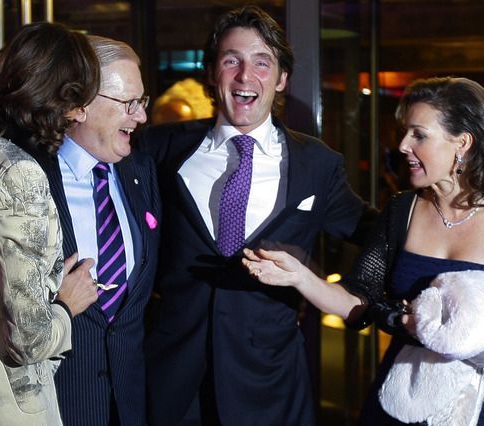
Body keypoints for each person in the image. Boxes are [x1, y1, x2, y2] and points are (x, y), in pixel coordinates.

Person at [244, 77, 484, 425]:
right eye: (405, 133)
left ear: (462, 142)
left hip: (480, 407)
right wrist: (300, 278)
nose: (403, 145)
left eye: (419, 134)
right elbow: (358, 299)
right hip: (398, 397)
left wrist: (447, 336)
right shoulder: (401, 210)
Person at [136, 5, 375, 425]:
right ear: (212, 73)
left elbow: (376, 232)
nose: (246, 77)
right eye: (232, 61)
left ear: (281, 79)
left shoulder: (316, 165)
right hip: (172, 382)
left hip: (270, 387)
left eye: (262, 63)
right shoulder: (160, 150)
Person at [13, 35, 160, 425]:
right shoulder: (25, 176)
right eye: (128, 103)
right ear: (78, 105)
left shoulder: (140, 173)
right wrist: (56, 305)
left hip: (127, 407)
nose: (140, 116)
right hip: (51, 406)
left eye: (141, 102)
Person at [0, 22, 99, 425]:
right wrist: (66, 305)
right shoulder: (15, 171)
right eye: (80, 102)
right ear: (60, 99)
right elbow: (29, 339)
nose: (82, 115)